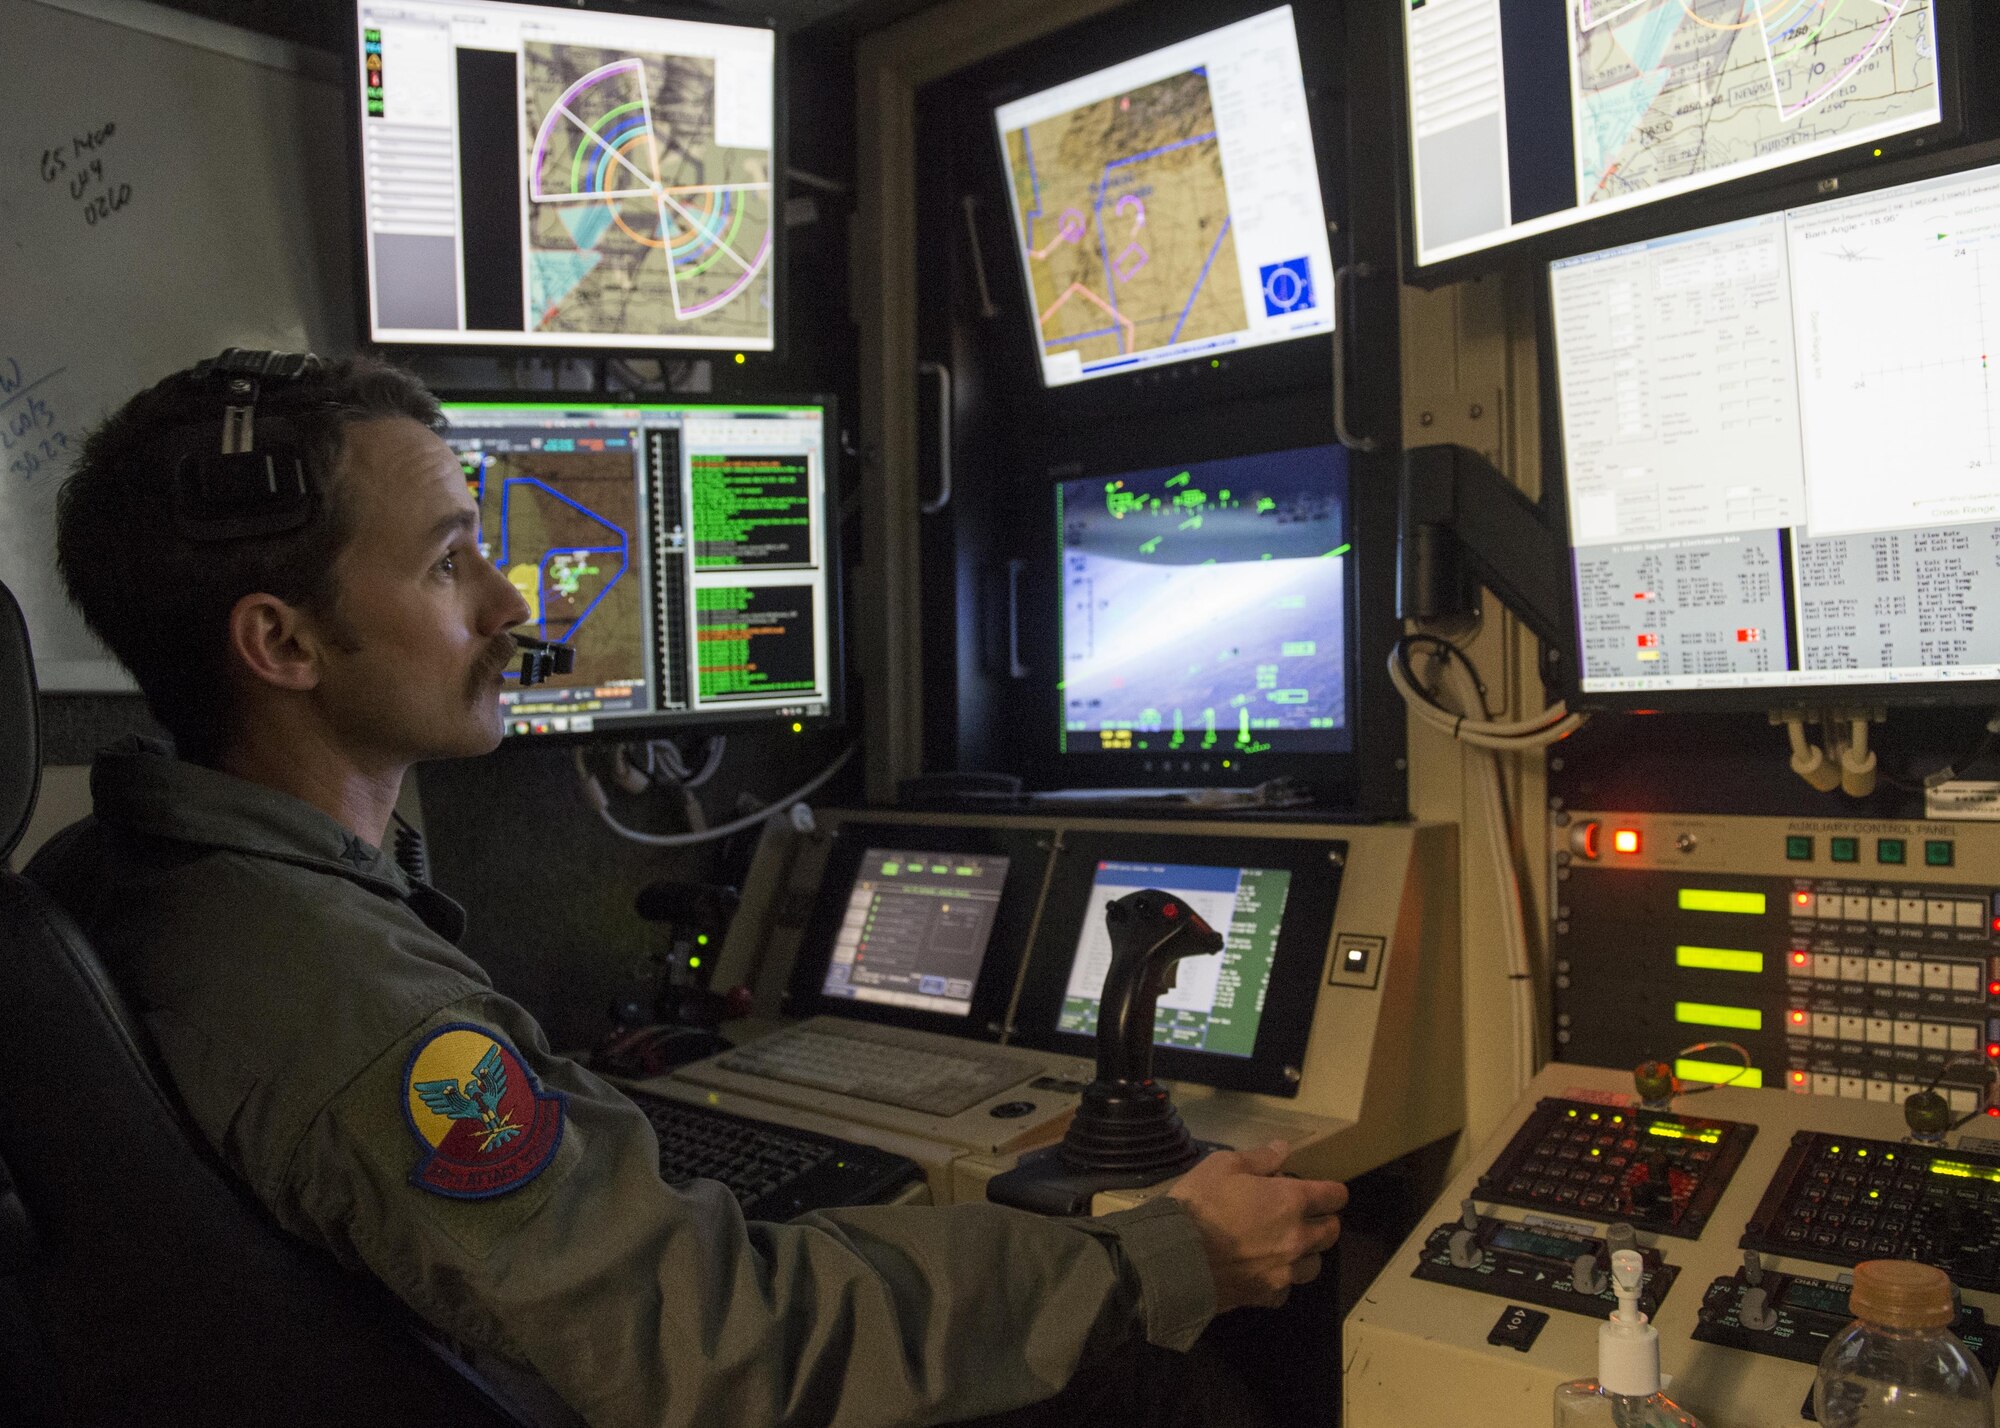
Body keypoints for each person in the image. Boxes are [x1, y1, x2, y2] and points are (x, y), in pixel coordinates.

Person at [28, 353, 1347, 1428]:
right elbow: (708, 1346)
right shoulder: (332, 992)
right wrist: (1161, 1257)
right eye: (445, 565)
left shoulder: (127, 872)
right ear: (283, 641)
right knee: (1146, 1375)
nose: (506, 601)